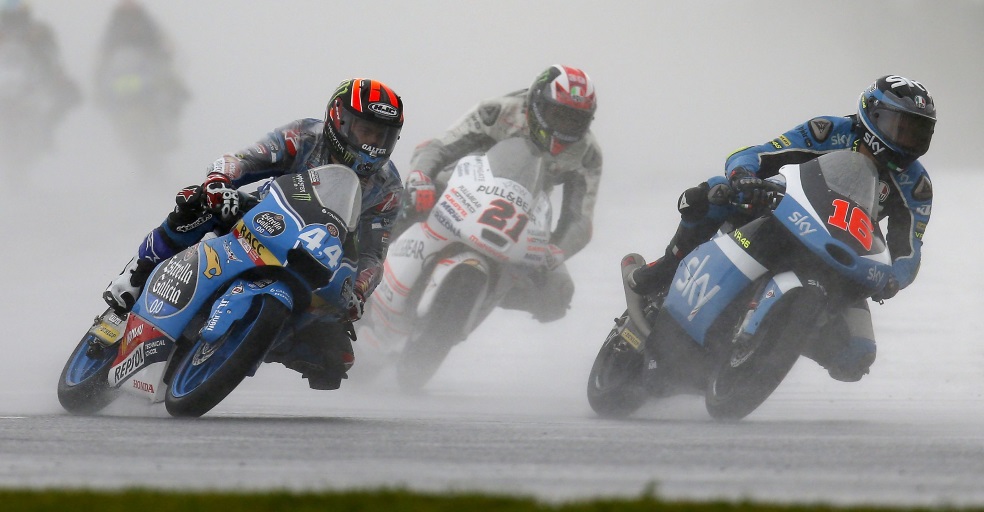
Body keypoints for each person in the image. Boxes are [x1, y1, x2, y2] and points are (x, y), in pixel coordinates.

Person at [627, 74, 936, 382]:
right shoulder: (828, 131)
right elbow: (756, 154)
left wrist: (894, 279)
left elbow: (909, 250)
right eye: (900, 127)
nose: (907, 140)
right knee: (712, 194)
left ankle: (778, 339)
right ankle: (664, 269)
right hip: (782, 214)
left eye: (917, 133)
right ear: (872, 115)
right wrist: (744, 176)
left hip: (840, 257)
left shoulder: (916, 186)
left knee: (856, 357)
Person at [102, 78, 405, 390]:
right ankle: (137, 275)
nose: (373, 142)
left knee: (335, 359)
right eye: (365, 130)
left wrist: (359, 292)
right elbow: (243, 160)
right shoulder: (303, 136)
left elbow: (373, 255)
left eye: (381, 135)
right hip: (261, 217)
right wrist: (219, 181)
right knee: (197, 202)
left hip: (316, 259)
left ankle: (250, 341)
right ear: (339, 119)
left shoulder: (388, 189)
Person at [400, 64, 601, 322]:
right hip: (458, 194)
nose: (564, 127)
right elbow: (438, 147)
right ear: (536, 103)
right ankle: (363, 271)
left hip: (520, 220)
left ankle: (475, 304)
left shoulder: (587, 153)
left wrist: (555, 250)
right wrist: (421, 177)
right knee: (398, 205)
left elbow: (581, 220)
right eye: (558, 115)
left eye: (575, 121)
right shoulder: (497, 111)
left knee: (558, 293)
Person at [93, 0, 190, 152]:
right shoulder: (116, 27)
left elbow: (165, 47)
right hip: (129, 81)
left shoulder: (146, 24)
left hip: (144, 77)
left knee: (174, 95)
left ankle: (168, 133)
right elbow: (103, 56)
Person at [0, 0, 80, 132]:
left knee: (70, 94)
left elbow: (52, 55)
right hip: (6, 82)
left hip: (34, 80)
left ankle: (48, 126)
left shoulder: (40, 30)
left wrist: (56, 75)